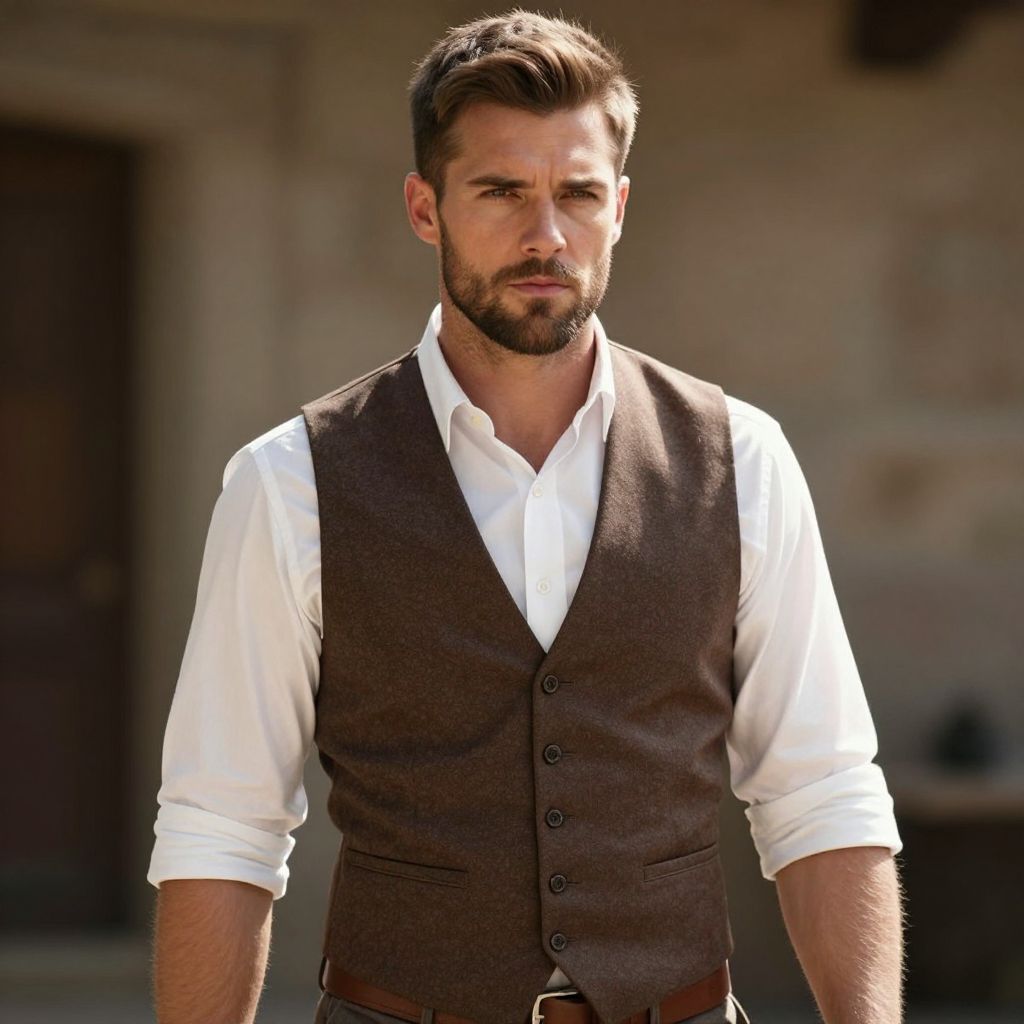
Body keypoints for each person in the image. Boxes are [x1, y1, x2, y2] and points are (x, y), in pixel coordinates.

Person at [148, 10, 905, 1024]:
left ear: (620, 206)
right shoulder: (289, 483)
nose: (546, 235)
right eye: (500, 191)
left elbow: (821, 794)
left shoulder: (741, 461)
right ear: (426, 207)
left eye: (578, 194)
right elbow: (221, 827)